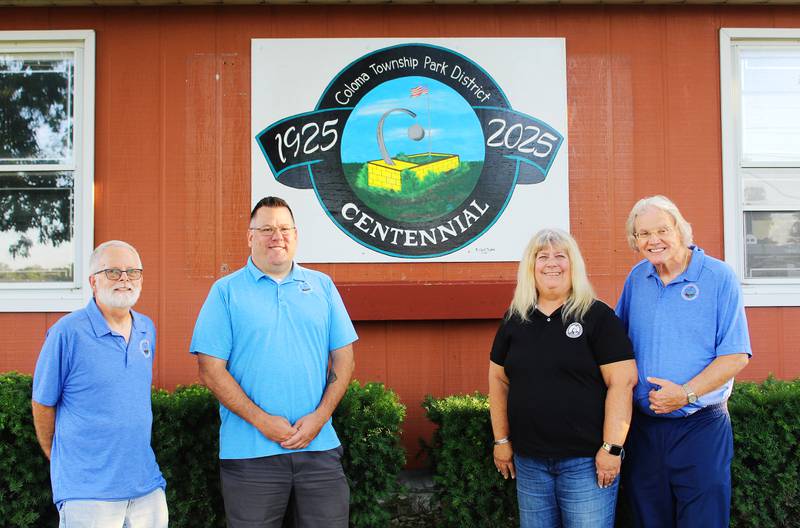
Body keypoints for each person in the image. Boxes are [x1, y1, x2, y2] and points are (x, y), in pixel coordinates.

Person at [190, 196, 357, 528]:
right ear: (250, 237)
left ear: (295, 235)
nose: (276, 236)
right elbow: (210, 369)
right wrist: (263, 421)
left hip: (319, 447)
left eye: (283, 228)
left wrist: (320, 418)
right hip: (251, 453)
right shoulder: (225, 292)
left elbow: (344, 358)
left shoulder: (322, 286)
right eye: (266, 228)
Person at [616, 195, 751, 528]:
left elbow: (735, 355)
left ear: (681, 230)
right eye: (644, 234)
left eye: (662, 229)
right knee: (648, 519)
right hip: (645, 430)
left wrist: (686, 393)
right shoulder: (637, 279)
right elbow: (616, 345)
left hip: (700, 426)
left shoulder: (719, 277)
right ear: (635, 241)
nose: (654, 240)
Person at [489, 228, 637, 528]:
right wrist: (501, 440)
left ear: (575, 264)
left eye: (560, 256)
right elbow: (498, 381)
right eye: (542, 257)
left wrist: (612, 448)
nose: (551, 263)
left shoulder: (598, 317)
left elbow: (622, 383)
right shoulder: (515, 319)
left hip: (586, 463)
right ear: (531, 267)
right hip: (529, 462)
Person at [32, 240, 168, 528]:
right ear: (93, 281)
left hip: (146, 486)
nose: (124, 279)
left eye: (132, 272)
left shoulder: (146, 328)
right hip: (88, 492)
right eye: (114, 272)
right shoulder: (67, 333)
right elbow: (42, 403)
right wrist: (60, 457)